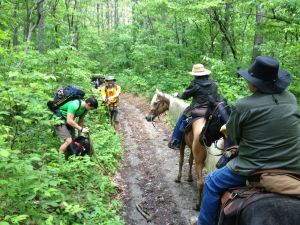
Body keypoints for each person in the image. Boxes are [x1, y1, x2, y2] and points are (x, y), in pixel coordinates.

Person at [194, 56, 300, 225]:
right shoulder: (291, 99)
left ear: (256, 84)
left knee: (212, 182)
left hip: (252, 167)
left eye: (249, 79)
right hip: (293, 165)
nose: (247, 82)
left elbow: (234, 136)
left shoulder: (244, 105)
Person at [168, 64, 219, 150]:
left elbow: (185, 96)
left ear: (195, 74)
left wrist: (177, 94)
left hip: (198, 108)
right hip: (212, 108)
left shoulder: (195, 84)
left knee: (182, 118)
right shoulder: (213, 82)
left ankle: (176, 140)